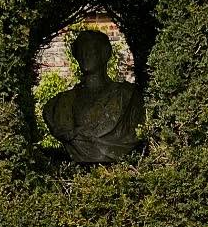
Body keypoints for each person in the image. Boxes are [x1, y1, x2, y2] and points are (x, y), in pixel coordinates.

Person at [42, 27, 144, 164]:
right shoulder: (59, 104)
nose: (85, 55)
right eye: (81, 51)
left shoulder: (127, 95)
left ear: (105, 54)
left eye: (90, 50)